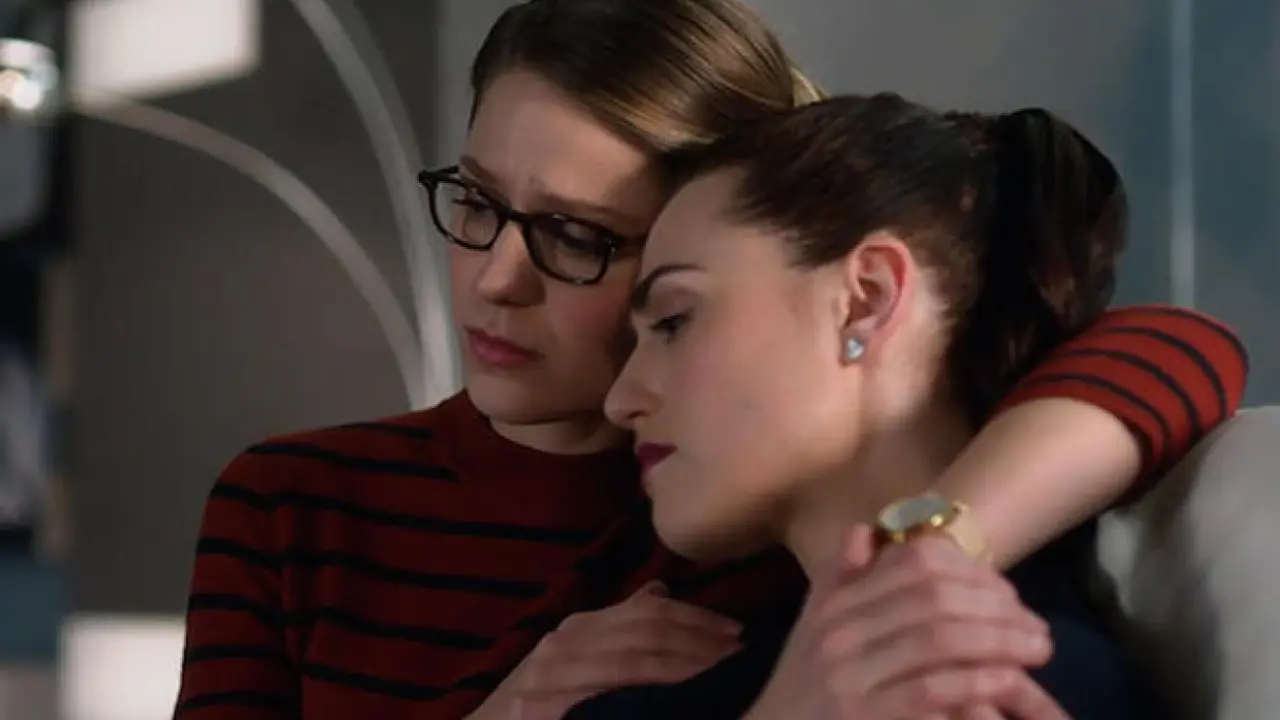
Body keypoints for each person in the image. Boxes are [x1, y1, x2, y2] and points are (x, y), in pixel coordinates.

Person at [173, 2, 1247, 718]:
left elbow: (1175, 350)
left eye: (578, 237)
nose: (497, 277)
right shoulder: (292, 502)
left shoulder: (749, 502)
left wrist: (920, 555)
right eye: (476, 201)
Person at [590, 95, 1159, 720]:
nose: (620, 401)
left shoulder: (992, 682)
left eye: (674, 320)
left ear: (866, 298)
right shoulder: (643, 698)